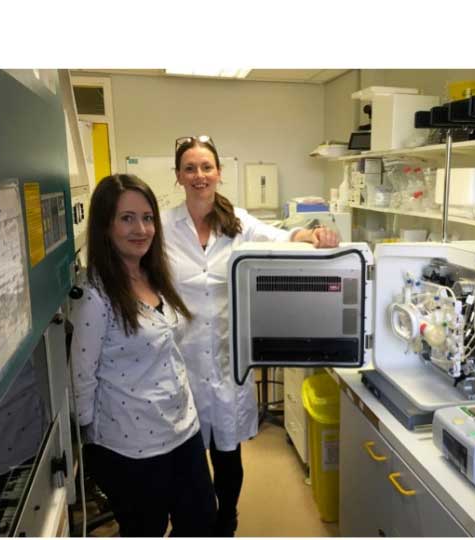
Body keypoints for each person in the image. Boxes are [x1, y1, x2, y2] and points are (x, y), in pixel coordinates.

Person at [161, 135, 339, 536]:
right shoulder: (164, 227)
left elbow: (282, 237)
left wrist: (314, 236)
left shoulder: (237, 222)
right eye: (190, 168)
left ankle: (227, 519)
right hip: (180, 358)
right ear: (178, 176)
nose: (199, 175)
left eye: (206, 167)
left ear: (219, 173)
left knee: (227, 451)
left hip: (228, 356)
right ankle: (198, 521)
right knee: (187, 455)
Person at [70, 174, 216, 536]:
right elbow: (82, 377)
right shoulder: (95, 295)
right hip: (131, 445)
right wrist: (92, 446)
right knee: (144, 528)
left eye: (147, 218)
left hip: (183, 429)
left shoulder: (155, 275)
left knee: (201, 523)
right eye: (127, 218)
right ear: (105, 226)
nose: (141, 229)